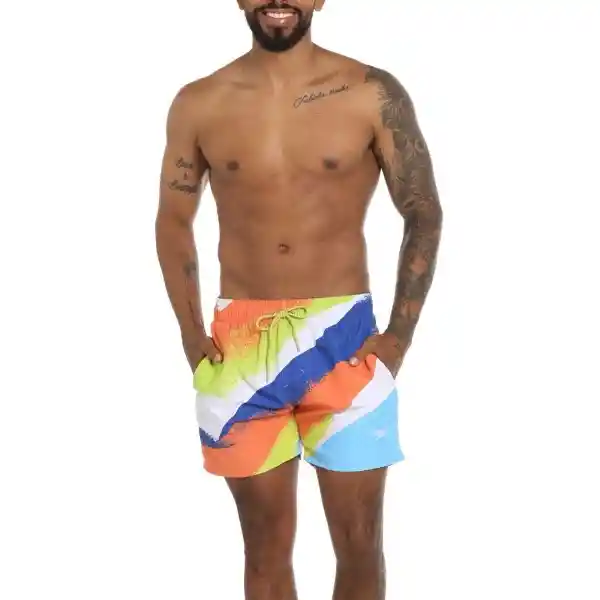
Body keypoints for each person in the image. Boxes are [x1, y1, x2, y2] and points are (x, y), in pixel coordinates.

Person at [155, 1, 442, 598]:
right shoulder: (200, 102)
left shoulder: (370, 92)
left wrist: (399, 336)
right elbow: (174, 220)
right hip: (240, 346)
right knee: (263, 548)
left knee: (359, 543)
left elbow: (422, 211)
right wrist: (189, 332)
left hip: (345, 340)